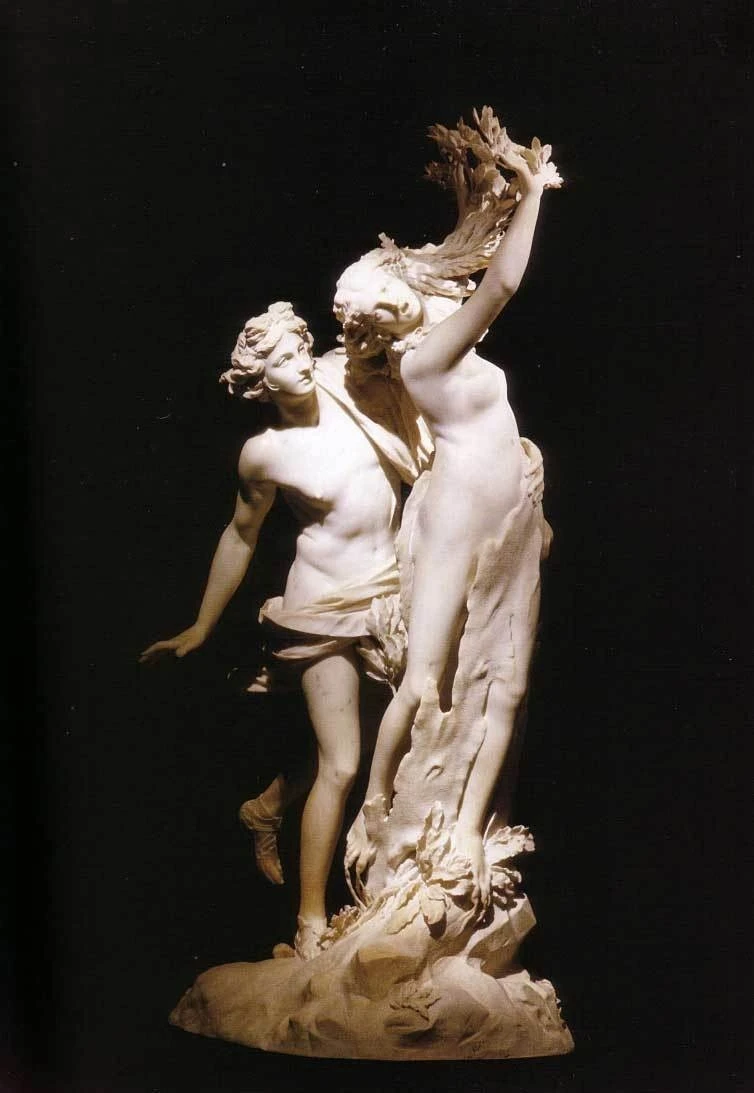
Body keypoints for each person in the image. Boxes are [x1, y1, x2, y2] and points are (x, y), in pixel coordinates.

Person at [140, 302, 412, 958]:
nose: (300, 364)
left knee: (377, 742)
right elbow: (241, 535)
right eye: (283, 360)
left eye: (300, 349)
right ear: (261, 382)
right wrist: (203, 624)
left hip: (390, 594)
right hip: (321, 606)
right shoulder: (264, 453)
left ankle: (265, 807)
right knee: (344, 762)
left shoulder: (347, 381)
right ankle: (310, 920)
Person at [339, 146, 554, 906]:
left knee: (507, 684)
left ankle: (467, 830)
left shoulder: (437, 347)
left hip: (509, 518)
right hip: (461, 519)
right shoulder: (426, 360)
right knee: (424, 679)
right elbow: (503, 283)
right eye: (385, 301)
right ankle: (375, 807)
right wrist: (532, 193)